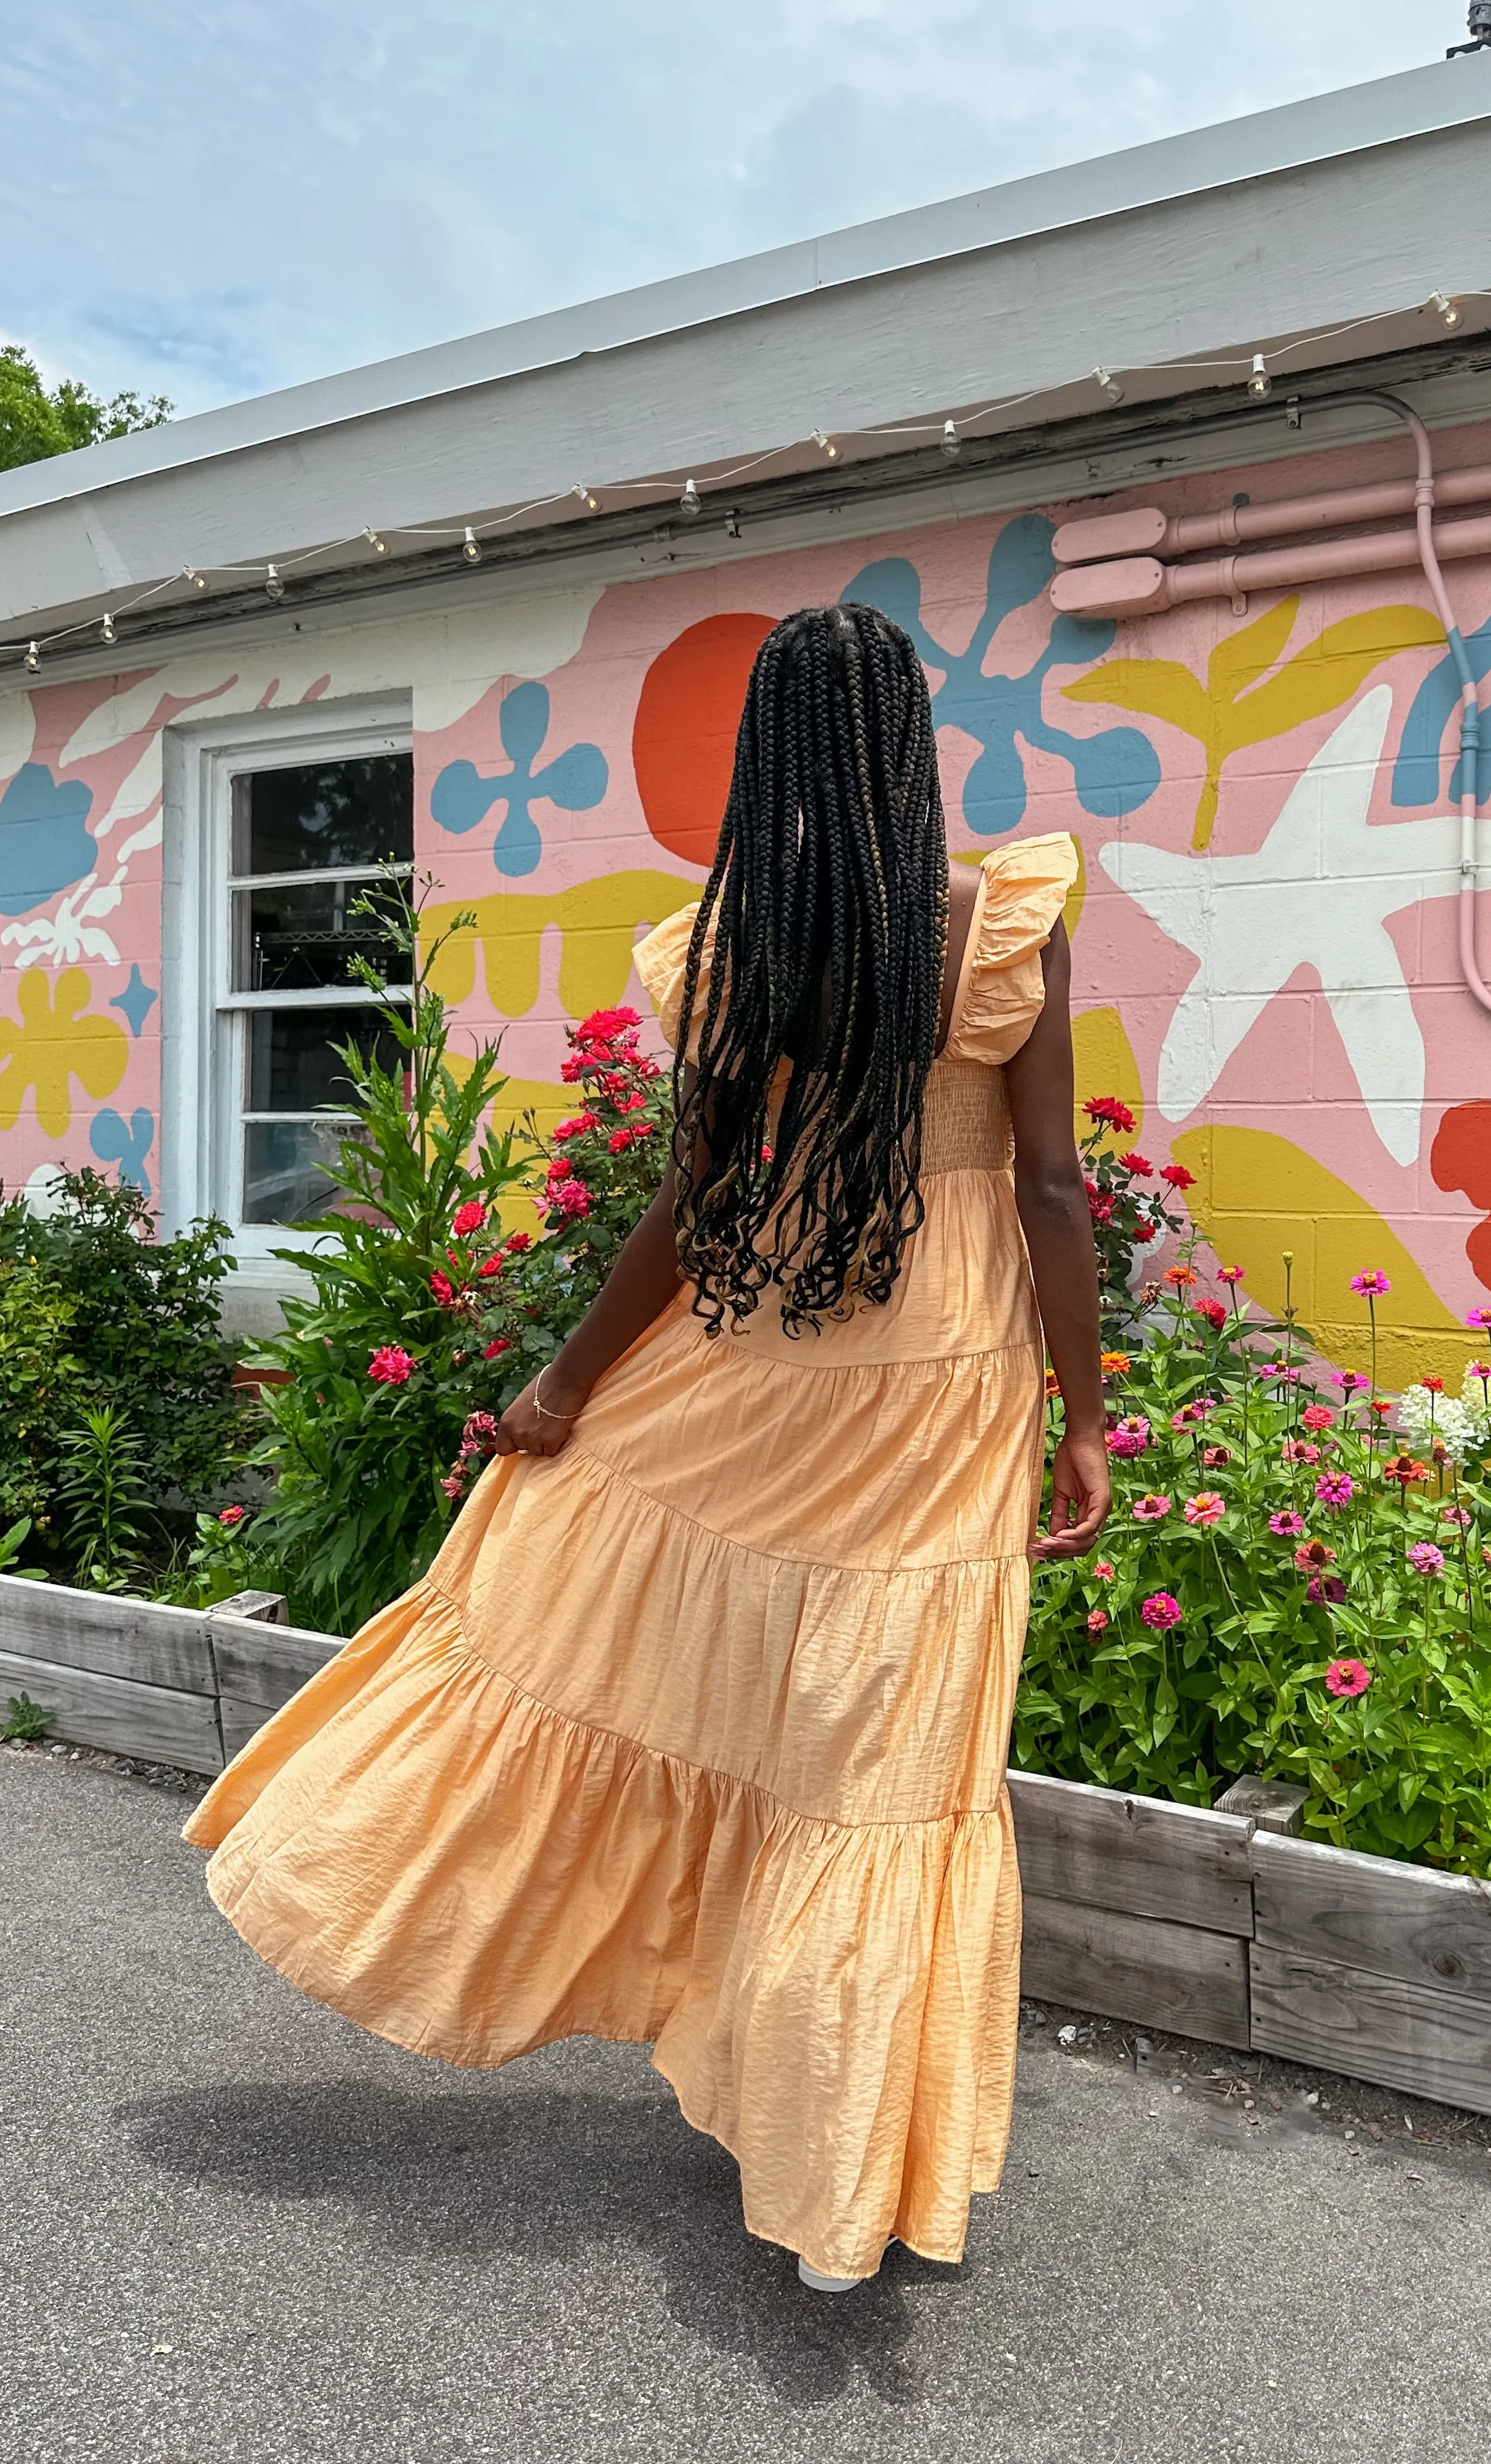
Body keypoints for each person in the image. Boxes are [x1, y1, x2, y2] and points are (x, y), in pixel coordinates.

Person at [184, 601, 1111, 2291]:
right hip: (938, 1389)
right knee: (881, 1763)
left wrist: (559, 1387)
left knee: (729, 1707)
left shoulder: (721, 945)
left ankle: (787, 2114)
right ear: (910, 740)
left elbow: (696, 1200)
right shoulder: (998, 917)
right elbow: (1052, 1185)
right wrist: (1091, 1416)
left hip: (764, 1368)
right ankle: (838, 2181)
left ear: (767, 754)